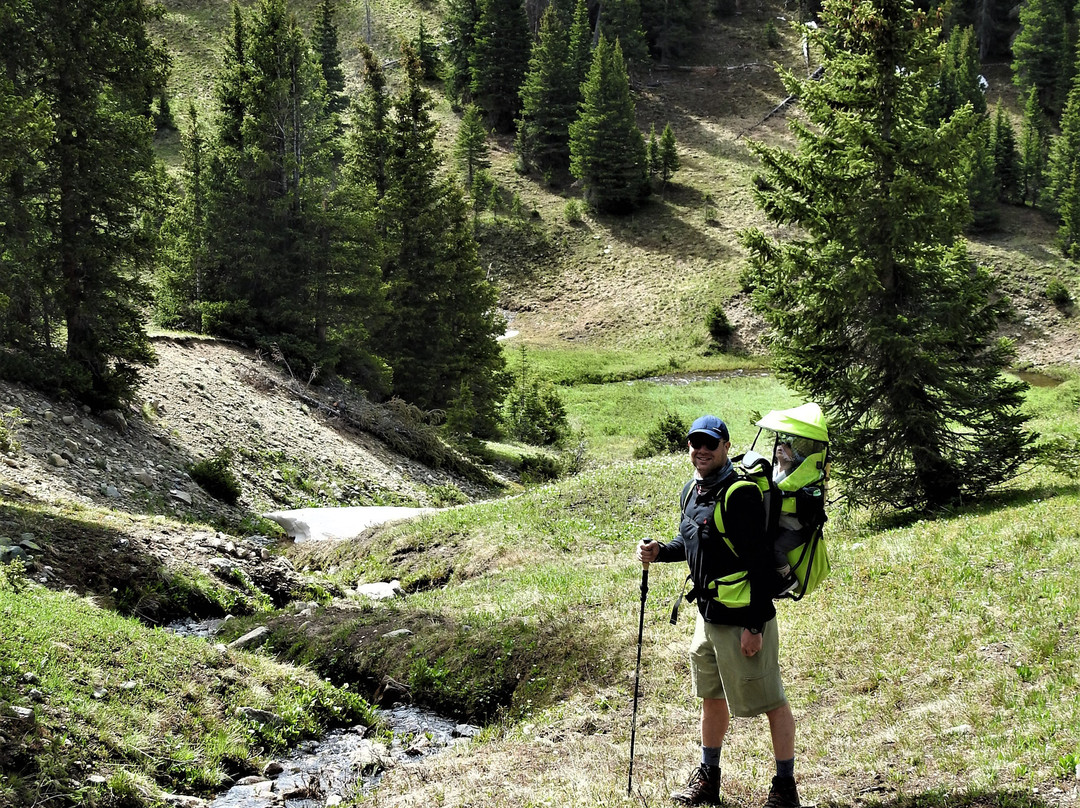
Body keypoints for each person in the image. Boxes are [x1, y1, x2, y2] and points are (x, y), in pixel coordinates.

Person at [635, 414, 800, 808]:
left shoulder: (739, 494)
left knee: (770, 699)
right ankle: (708, 778)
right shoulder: (692, 490)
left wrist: (755, 625)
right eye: (695, 444)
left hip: (743, 615)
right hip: (706, 615)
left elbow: (760, 562)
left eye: (710, 444)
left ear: (726, 447)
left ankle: (785, 788)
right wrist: (661, 552)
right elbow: (691, 541)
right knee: (711, 697)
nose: (701, 450)